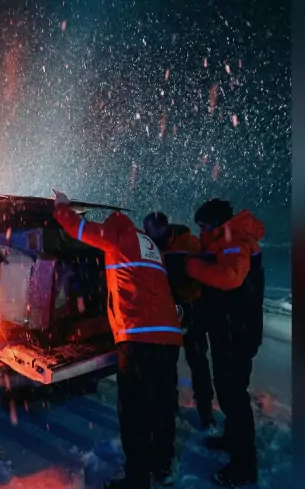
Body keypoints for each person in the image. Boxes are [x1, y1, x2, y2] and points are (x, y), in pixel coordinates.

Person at [52, 190, 183, 489]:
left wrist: (61, 207)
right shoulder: (148, 243)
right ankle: (163, 464)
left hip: (139, 339)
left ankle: (136, 480)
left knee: (134, 412)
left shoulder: (116, 236)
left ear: (112, 227)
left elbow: (77, 229)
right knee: (161, 406)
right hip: (169, 338)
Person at [184, 198, 265, 487]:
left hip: (236, 335)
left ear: (217, 224)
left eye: (204, 226)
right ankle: (233, 440)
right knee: (229, 392)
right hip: (228, 333)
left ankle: (244, 467)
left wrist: (193, 267)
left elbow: (230, 277)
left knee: (235, 397)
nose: (201, 231)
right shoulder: (223, 242)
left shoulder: (236, 241)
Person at [143, 211, 215, 430]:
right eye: (147, 232)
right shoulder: (152, 247)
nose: (149, 236)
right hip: (168, 311)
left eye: (151, 231)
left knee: (197, 360)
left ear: (164, 227)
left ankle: (205, 412)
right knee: (167, 363)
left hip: (193, 309)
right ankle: (170, 408)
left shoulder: (190, 243)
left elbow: (207, 273)